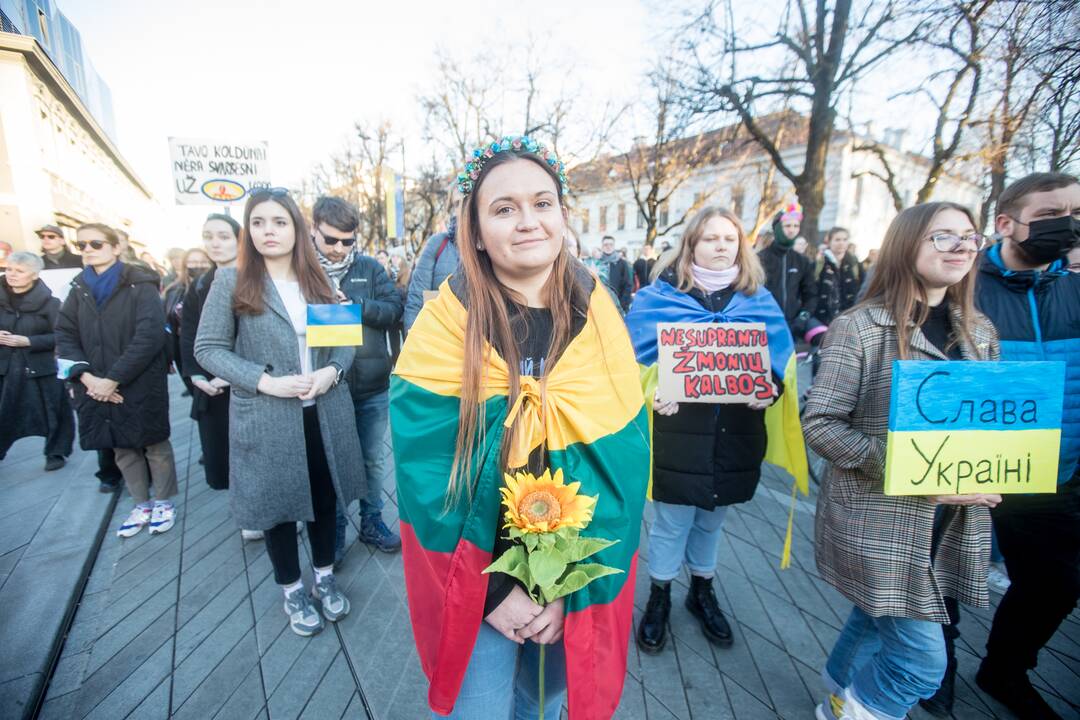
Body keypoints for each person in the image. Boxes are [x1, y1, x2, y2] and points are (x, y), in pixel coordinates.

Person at [391, 135, 649, 719]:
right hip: (481, 576)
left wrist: (571, 583)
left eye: (542, 203)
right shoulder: (445, 324)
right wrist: (493, 592)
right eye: (504, 209)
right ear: (476, 231)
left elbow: (623, 459)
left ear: (562, 216)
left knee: (543, 704)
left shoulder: (598, 311)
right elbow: (424, 473)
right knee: (478, 707)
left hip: (574, 569)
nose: (527, 221)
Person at [803, 202, 1000, 720]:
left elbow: (990, 424)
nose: (960, 247)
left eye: (968, 236)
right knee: (919, 663)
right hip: (878, 520)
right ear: (906, 244)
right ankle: (845, 714)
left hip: (947, 519)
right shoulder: (862, 327)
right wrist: (909, 467)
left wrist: (997, 468)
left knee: (873, 616)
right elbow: (820, 423)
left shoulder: (980, 332)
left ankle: (835, 690)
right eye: (943, 237)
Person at [195, 187, 365, 637]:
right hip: (269, 415)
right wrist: (264, 381)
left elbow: (345, 344)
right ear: (248, 230)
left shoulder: (321, 281)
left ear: (296, 229)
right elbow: (208, 349)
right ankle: (292, 588)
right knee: (279, 509)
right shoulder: (233, 281)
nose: (268, 231)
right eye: (258, 222)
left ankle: (325, 579)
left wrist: (332, 371)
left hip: (324, 413)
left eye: (279, 222)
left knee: (326, 501)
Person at [625, 207, 796, 654]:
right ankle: (659, 596)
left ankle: (702, 591)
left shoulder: (760, 300)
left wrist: (772, 389)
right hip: (678, 432)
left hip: (737, 433)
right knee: (670, 521)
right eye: (710, 238)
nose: (721, 245)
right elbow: (631, 365)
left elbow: (781, 363)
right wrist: (651, 392)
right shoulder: (658, 298)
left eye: (729, 238)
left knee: (713, 518)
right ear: (691, 246)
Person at [969, 172, 1080, 719]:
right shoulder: (962, 285)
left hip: (1057, 469)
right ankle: (931, 665)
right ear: (1006, 223)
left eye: (1075, 213)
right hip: (968, 467)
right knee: (939, 570)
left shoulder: (1078, 288)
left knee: (1056, 582)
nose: (1067, 224)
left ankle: (1006, 668)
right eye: (1052, 214)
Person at [55, 223, 178, 538]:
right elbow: (65, 334)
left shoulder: (140, 283)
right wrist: (87, 377)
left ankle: (163, 501)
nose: (87, 250)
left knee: (153, 442)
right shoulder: (78, 286)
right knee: (121, 446)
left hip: (138, 379)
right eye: (81, 245)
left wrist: (113, 379)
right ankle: (141, 503)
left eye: (95, 243)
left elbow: (150, 335)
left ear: (115, 247)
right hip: (94, 382)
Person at [307, 195, 403, 561]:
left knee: (372, 460)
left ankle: (372, 521)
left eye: (347, 241)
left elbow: (395, 309)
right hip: (324, 387)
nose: (339, 248)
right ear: (313, 230)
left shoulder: (369, 267)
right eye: (330, 240)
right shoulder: (302, 271)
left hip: (372, 384)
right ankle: (333, 530)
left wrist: (357, 308)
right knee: (328, 462)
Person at [179, 215, 248, 530]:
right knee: (223, 451)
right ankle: (244, 509)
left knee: (256, 451)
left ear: (238, 239)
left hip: (248, 380)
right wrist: (196, 376)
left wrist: (230, 372)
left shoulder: (254, 278)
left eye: (223, 236)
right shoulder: (200, 284)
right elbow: (189, 333)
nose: (215, 243)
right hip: (211, 385)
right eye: (208, 236)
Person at [0, 252, 75, 469]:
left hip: (41, 368)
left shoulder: (51, 303)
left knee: (53, 410)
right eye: (10, 269)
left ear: (34, 275)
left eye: (20, 271)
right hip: (4, 367)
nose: (12, 274)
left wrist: (29, 341)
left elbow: (62, 335)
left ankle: (56, 452)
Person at [758, 203, 824, 344]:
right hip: (765, 328)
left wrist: (803, 317)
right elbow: (750, 293)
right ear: (777, 228)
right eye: (787, 226)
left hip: (793, 327)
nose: (792, 230)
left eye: (796, 226)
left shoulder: (802, 261)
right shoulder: (759, 259)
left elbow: (811, 294)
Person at [404, 184, 462, 330]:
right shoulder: (438, 244)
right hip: (441, 340)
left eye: (467, 200)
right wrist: (413, 344)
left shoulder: (496, 244)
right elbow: (416, 299)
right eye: (456, 203)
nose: (462, 209)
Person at [163, 248, 212, 393]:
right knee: (195, 389)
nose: (197, 266)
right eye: (193, 262)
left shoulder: (217, 286)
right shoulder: (173, 290)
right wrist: (168, 356)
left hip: (209, 346)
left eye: (202, 262)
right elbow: (167, 322)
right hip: (184, 348)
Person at [814, 227, 865, 325]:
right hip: (823, 320)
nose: (841, 243)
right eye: (837, 240)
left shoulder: (855, 264)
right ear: (829, 242)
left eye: (845, 239)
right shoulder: (819, 263)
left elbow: (863, 290)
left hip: (851, 319)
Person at [595, 235, 633, 311]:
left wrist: (621, 304)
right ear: (602, 246)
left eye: (611, 245)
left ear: (614, 246)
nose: (608, 247)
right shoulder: (597, 263)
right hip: (600, 303)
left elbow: (627, 285)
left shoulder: (622, 263)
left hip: (618, 304)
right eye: (605, 245)